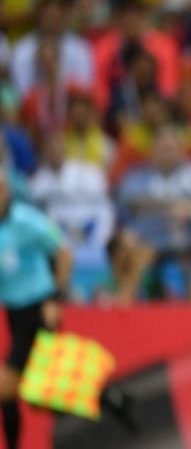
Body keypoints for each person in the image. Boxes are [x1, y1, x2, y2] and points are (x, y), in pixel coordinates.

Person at [0, 170, 72, 448]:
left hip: (40, 310)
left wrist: (55, 298)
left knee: (10, 386)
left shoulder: (27, 221)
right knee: (44, 392)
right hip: (15, 314)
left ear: (7, 190)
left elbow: (64, 254)